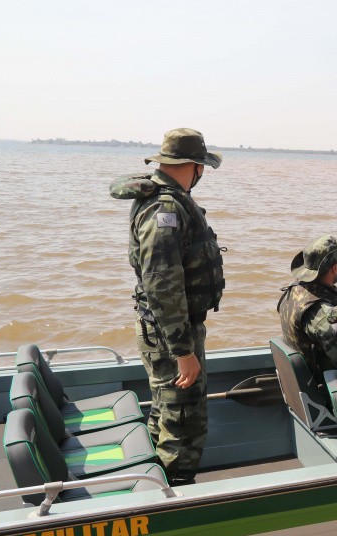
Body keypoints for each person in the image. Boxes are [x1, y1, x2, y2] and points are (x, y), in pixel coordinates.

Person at [109, 128, 225, 485]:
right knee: (184, 425)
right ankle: (173, 499)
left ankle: (156, 486)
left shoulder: (165, 199)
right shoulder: (166, 207)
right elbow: (162, 283)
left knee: (166, 411)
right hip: (171, 334)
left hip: (169, 329)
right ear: (195, 166)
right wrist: (183, 351)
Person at [278, 235, 337, 379]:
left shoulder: (294, 290)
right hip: (324, 382)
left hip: (303, 375)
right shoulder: (319, 313)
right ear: (335, 268)